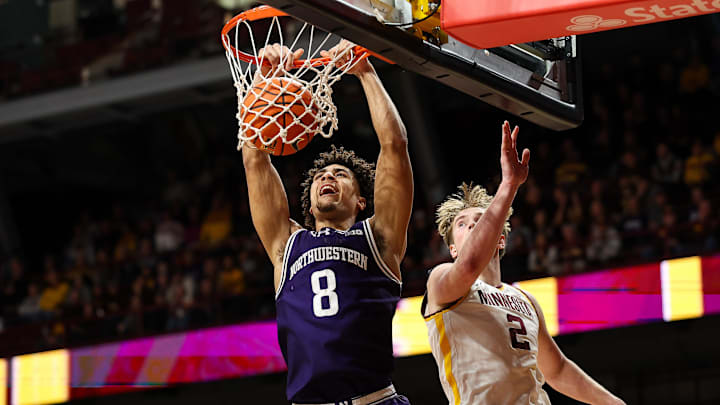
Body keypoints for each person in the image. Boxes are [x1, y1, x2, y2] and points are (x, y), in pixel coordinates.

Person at [241, 40, 413, 405]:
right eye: (321, 175)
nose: (327, 177)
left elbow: (394, 145)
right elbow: (255, 161)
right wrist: (265, 80)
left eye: (340, 174)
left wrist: (363, 69)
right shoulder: (286, 245)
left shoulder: (378, 237)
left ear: (360, 199)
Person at [422, 122, 624, 405]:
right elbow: (469, 268)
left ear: (500, 240)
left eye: (481, 222)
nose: (473, 227)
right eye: (463, 224)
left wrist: (613, 402)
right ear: (453, 249)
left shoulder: (524, 299)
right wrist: (509, 185)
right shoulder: (440, 281)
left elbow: (558, 370)